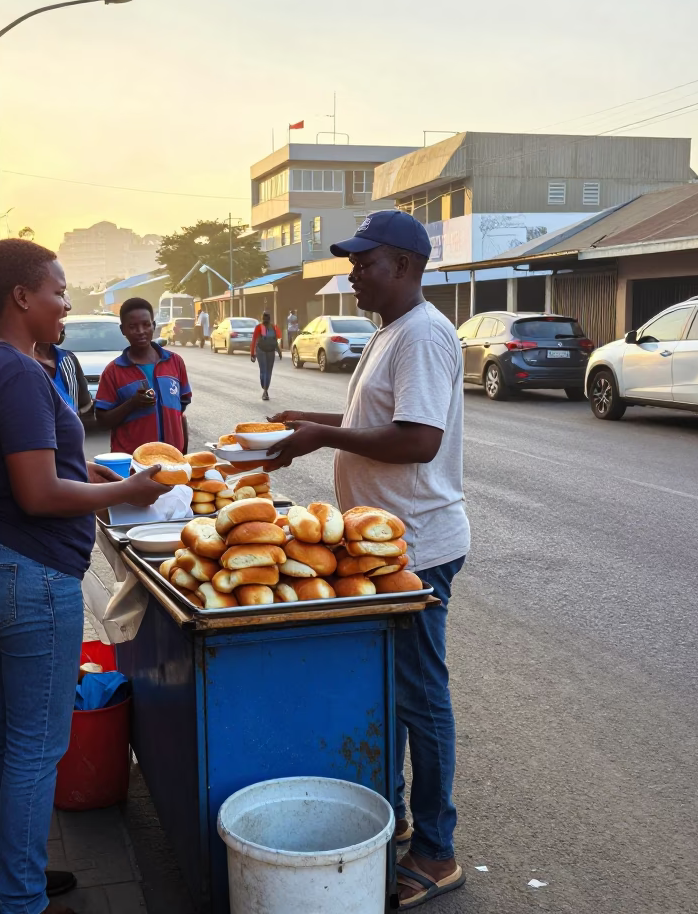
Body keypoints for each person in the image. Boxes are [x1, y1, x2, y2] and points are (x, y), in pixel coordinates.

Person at [0, 239, 170, 914]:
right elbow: (40, 492)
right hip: (30, 575)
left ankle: (5, 881)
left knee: (4, 736)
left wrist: (95, 473)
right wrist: (125, 491)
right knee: (36, 748)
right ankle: (19, 900)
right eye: (59, 291)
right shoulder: (16, 372)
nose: (67, 303)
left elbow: (27, 470)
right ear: (22, 297)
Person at [265, 210, 470, 909]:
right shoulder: (392, 332)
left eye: (365, 262)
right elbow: (383, 422)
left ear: (407, 268)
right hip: (380, 544)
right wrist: (317, 423)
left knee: (419, 694)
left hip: (416, 546)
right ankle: (402, 817)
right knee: (392, 689)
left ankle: (436, 851)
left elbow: (417, 441)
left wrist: (323, 436)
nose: (352, 273)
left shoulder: (424, 336)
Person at [95, 297, 191, 454]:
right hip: (133, 464)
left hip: (172, 459)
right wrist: (132, 404)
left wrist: (182, 452)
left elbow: (181, 408)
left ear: (153, 325)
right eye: (133, 326)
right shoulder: (113, 371)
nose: (140, 331)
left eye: (146, 325)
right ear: (123, 330)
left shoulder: (175, 362)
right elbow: (103, 420)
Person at [32, 323, 93, 420]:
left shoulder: (69, 358)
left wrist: (75, 415)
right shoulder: (23, 361)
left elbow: (85, 401)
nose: (61, 325)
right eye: (54, 321)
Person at [250, 311, 282, 402]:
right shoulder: (274, 327)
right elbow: (277, 339)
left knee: (263, 370)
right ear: (270, 318)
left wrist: (252, 353)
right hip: (271, 351)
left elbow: (254, 340)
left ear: (262, 318)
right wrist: (279, 351)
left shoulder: (258, 327)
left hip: (261, 350)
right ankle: (265, 390)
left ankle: (264, 388)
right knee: (269, 371)